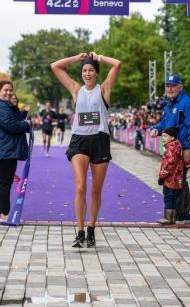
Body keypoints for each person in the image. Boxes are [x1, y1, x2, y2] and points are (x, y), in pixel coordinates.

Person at [51, 52, 121, 248]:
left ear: (96, 73)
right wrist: (76, 58)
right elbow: (55, 66)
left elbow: (117, 64)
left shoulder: (104, 89)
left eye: (91, 70)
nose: (87, 73)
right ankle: (80, 231)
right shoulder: (75, 89)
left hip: (99, 141)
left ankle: (91, 227)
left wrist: (99, 57)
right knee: (80, 186)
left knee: (96, 192)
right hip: (79, 141)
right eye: (84, 70)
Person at [151, 74, 190, 224]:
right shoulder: (169, 104)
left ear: (180, 87)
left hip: (182, 147)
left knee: (180, 180)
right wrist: (157, 129)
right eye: (168, 86)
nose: (170, 89)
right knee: (173, 180)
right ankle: (174, 215)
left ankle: (183, 215)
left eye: (173, 86)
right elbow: (166, 122)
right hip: (172, 149)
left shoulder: (188, 103)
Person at [0, 80, 31, 223]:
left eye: (10, 90)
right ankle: (6, 214)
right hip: (3, 150)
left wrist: (22, 116)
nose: (9, 93)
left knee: (0, 182)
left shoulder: (0, 106)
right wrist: (25, 125)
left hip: (2, 149)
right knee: (5, 183)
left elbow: (11, 119)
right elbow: (10, 125)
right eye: (5, 90)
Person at [157, 127, 190, 225]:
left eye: (165, 136)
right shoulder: (178, 145)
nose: (163, 138)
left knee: (168, 197)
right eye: (162, 136)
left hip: (170, 179)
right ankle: (182, 217)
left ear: (172, 137)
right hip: (177, 178)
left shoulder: (171, 148)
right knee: (177, 198)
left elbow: (169, 164)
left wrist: (161, 176)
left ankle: (169, 218)